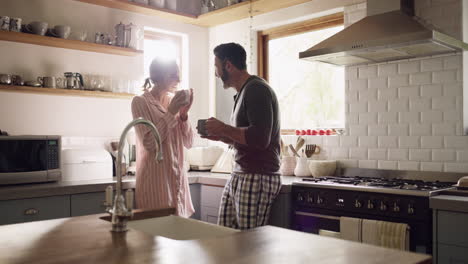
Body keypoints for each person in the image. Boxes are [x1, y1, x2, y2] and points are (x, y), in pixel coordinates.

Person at [203, 43, 281, 229]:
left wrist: (223, 128)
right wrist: (222, 136)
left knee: (248, 245)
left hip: (257, 176)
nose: (216, 73)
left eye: (217, 67)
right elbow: (247, 138)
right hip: (241, 174)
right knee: (225, 236)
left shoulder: (257, 89)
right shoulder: (243, 92)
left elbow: (260, 138)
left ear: (228, 65)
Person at [131, 57, 194, 217]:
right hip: (155, 184)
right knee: (157, 237)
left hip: (177, 183)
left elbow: (189, 142)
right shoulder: (140, 102)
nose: (178, 79)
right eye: (173, 75)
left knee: (179, 237)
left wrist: (184, 114)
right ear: (158, 76)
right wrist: (171, 112)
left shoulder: (174, 102)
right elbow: (150, 143)